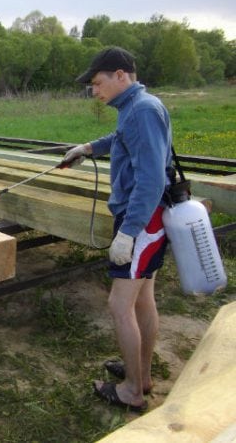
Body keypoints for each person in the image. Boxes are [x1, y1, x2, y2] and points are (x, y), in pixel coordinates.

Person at [62, 47, 173, 413]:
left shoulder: (141, 111)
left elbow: (152, 178)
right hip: (146, 220)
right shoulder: (135, 108)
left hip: (140, 221)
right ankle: (140, 373)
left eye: (98, 82)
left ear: (121, 75)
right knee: (142, 299)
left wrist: (129, 232)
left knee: (119, 304)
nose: (95, 91)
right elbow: (122, 139)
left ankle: (131, 392)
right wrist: (88, 148)